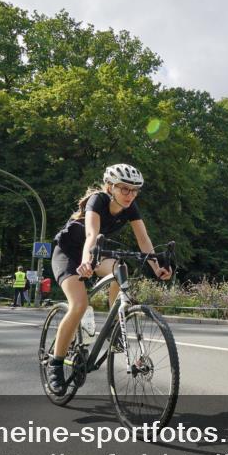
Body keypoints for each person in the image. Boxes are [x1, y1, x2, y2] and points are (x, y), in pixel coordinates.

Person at [46, 163, 172, 394]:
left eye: (135, 190)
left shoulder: (130, 207)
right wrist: (86, 261)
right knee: (80, 305)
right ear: (110, 187)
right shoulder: (98, 200)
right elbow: (91, 234)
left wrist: (157, 267)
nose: (130, 195)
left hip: (93, 255)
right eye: (124, 189)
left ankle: (115, 325)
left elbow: (143, 240)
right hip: (69, 254)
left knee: (119, 268)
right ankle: (55, 364)